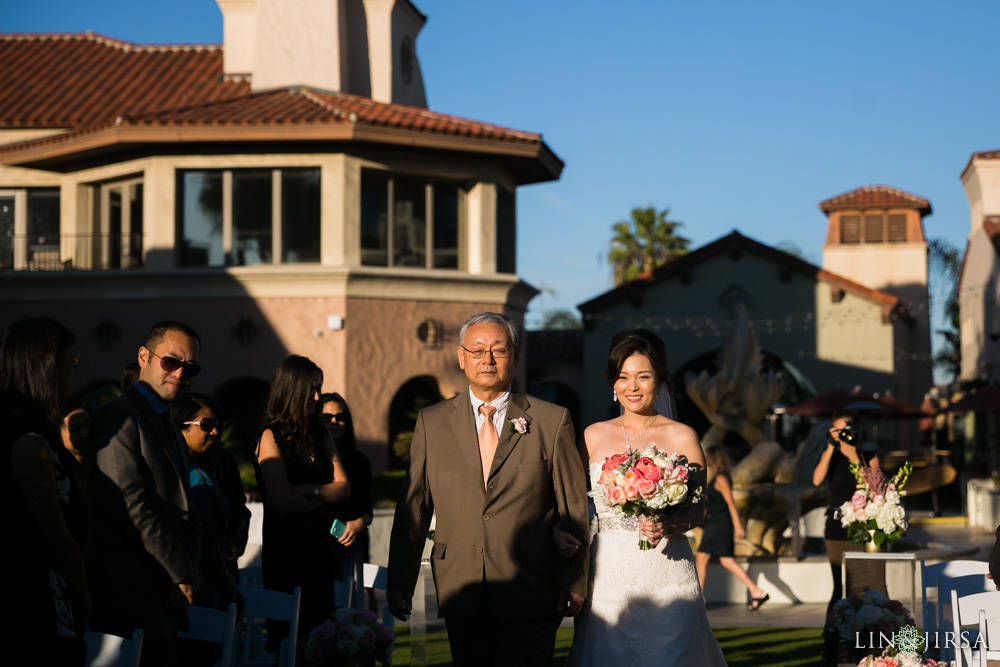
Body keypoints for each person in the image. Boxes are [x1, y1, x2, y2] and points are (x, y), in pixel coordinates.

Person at [387, 312, 590, 667]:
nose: (488, 358)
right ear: (461, 356)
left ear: (515, 355)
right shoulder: (432, 422)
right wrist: (400, 578)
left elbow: (572, 507)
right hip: (461, 586)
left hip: (532, 586)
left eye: (498, 349)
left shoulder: (550, 420)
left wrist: (574, 578)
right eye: (478, 349)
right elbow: (414, 507)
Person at [566, 329, 726, 666]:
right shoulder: (592, 436)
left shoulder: (683, 436)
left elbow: (698, 509)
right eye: (623, 377)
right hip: (609, 571)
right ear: (612, 381)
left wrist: (670, 524)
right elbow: (569, 502)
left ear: (660, 379)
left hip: (668, 569)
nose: (632, 387)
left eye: (643, 376)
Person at [88, 321, 205, 667]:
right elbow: (130, 508)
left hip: (166, 595)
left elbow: (189, 507)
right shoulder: (117, 416)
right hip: (129, 593)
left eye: (191, 367)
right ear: (144, 356)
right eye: (171, 361)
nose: (180, 373)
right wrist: (181, 572)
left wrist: (188, 573)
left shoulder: (168, 422)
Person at [1, 317, 90, 665]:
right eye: (71, 360)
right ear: (47, 366)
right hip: (36, 602)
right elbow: (58, 539)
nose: (73, 369)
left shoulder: (26, 432)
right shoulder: (29, 443)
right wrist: (83, 599)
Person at [253, 355, 350, 641]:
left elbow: (344, 488)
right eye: (310, 389)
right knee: (291, 641)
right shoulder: (269, 436)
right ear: (291, 389)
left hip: (319, 552)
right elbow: (282, 502)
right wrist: (323, 494)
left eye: (319, 388)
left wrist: (309, 490)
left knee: (323, 637)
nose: (317, 396)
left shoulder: (318, 433)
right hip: (287, 553)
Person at [812, 410, 879, 618]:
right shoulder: (830, 456)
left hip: (862, 528)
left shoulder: (868, 456)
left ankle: (863, 637)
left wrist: (855, 459)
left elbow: (873, 487)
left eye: (847, 430)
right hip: (835, 527)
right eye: (838, 430)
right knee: (838, 588)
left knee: (862, 588)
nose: (843, 434)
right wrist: (831, 447)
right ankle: (831, 640)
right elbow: (816, 480)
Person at [695, 446, 768, 610]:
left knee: (702, 557)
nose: (706, 459)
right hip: (716, 521)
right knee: (726, 560)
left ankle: (700, 598)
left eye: (708, 457)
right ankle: (756, 591)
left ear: (714, 459)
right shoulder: (717, 477)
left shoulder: (721, 478)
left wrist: (738, 526)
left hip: (720, 522)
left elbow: (730, 502)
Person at [320, 392, 374, 607]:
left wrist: (360, 523)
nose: (334, 422)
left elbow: (367, 508)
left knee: (349, 609)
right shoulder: (312, 459)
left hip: (351, 544)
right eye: (327, 417)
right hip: (319, 544)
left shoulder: (359, 461)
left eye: (340, 417)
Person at [58, 399, 91, 551]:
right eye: (75, 429)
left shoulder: (106, 465)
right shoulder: (57, 477)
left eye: (89, 425)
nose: (85, 434)